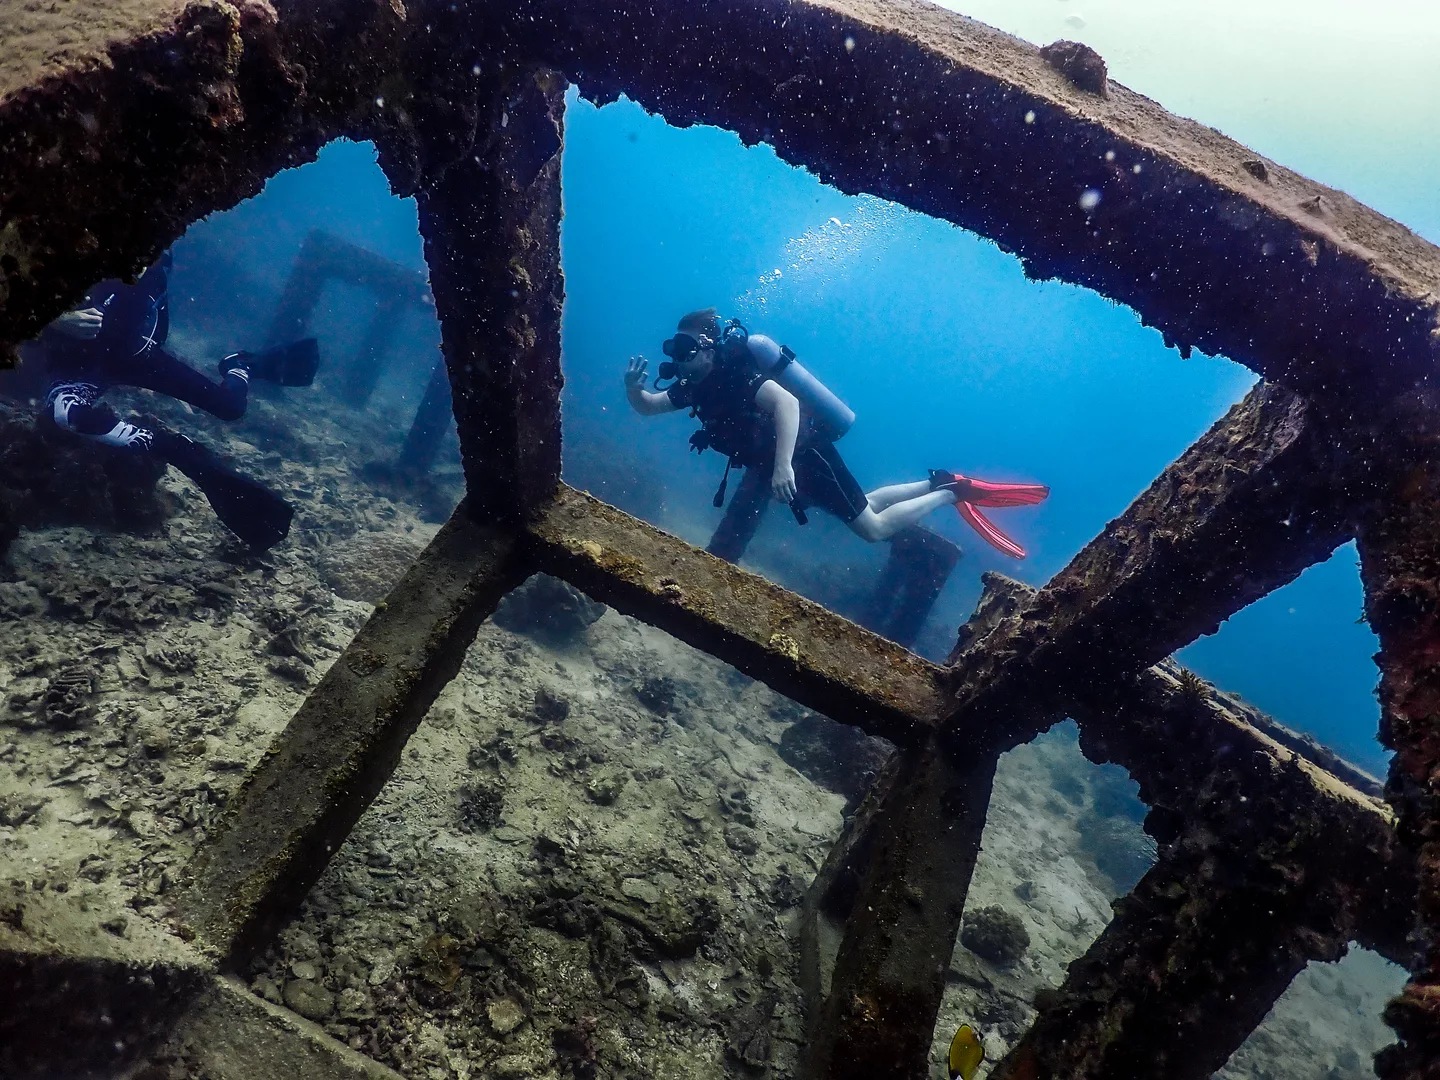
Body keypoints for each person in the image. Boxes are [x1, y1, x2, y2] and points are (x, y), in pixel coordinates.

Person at [624, 308, 1048, 558]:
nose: (677, 361)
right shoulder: (694, 388)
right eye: (672, 352)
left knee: (872, 530)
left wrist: (783, 467)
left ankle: (952, 492)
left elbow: (786, 404)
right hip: (792, 462)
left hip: (809, 456)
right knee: (863, 505)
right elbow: (649, 407)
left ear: (708, 347)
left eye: (684, 351)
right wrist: (632, 389)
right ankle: (934, 482)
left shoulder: (737, 378)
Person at [38, 250, 320, 550]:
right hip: (80, 363)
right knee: (64, 412)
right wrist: (54, 318)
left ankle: (242, 365)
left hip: (137, 354)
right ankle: (173, 448)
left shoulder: (149, 240)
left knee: (231, 407)